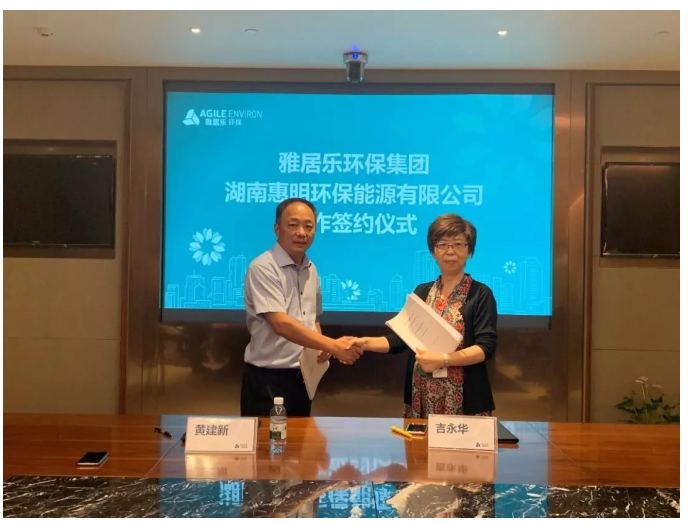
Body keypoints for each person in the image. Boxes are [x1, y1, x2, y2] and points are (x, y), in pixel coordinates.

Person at [355, 213, 497, 417]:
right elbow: (401, 339)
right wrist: (365, 343)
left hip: (464, 398)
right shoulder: (422, 291)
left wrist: (443, 359)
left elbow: (485, 347)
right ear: (433, 251)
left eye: (458, 244)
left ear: (469, 251)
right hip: (421, 392)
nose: (450, 251)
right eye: (442, 245)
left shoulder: (481, 294)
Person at [241, 198, 362, 417]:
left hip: (303, 378)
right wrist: (333, 345)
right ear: (277, 229)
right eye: (293, 225)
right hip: (268, 378)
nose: (301, 232)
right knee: (267, 438)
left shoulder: (311, 268)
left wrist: (321, 344)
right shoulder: (263, 267)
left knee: (300, 438)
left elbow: (311, 316)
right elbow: (281, 324)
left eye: (308, 226)